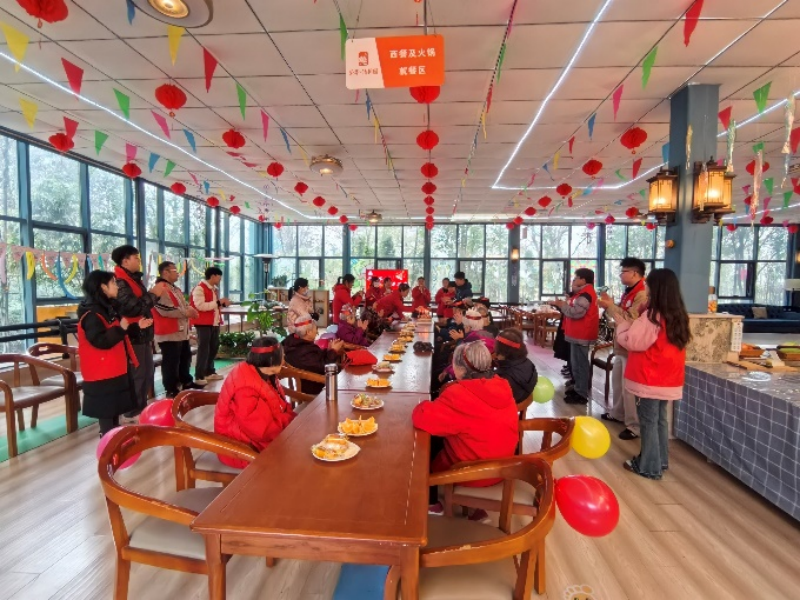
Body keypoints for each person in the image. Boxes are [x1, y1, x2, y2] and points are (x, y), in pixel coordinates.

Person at [412, 341, 519, 514]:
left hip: (473, 474)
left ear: (460, 369)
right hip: (504, 468)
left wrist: (425, 402)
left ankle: (432, 503)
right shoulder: (502, 385)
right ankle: (476, 509)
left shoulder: (459, 394)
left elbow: (421, 418)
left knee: (422, 444)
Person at [616, 268, 690, 480]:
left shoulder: (652, 316)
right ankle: (660, 460)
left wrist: (622, 326)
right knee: (660, 421)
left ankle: (648, 466)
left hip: (649, 378)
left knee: (648, 422)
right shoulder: (677, 315)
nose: (645, 286)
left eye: (648, 283)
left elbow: (633, 342)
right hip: (668, 378)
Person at [77, 270, 146, 435]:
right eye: (113, 283)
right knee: (106, 411)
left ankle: (113, 439)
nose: (117, 286)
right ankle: (107, 441)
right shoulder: (91, 314)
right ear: (103, 287)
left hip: (114, 368)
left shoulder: (107, 308)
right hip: (102, 372)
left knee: (115, 408)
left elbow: (117, 332)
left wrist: (135, 327)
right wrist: (121, 328)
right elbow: (100, 341)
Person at [214, 336, 296, 468]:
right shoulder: (245, 389)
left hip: (258, 439)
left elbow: (279, 406)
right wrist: (291, 420)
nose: (284, 359)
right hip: (242, 449)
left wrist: (291, 419)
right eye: (282, 356)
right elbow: (263, 431)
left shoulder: (263, 372)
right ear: (271, 360)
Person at [598, 258, 649, 440]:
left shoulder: (642, 294)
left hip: (631, 348)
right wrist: (611, 306)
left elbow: (631, 319)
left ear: (634, 273)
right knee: (617, 383)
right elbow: (622, 314)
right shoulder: (629, 292)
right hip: (621, 345)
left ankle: (633, 426)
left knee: (629, 388)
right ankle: (618, 413)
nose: (620, 275)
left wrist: (610, 306)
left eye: (623, 271)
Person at [111, 245, 159, 417]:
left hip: (142, 333)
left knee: (147, 372)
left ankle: (141, 407)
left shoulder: (134, 279)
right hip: (132, 334)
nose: (139, 261)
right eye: (136, 258)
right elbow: (132, 308)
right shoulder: (120, 282)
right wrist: (154, 294)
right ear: (125, 261)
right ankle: (132, 411)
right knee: (137, 374)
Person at [548, 268, 599, 405]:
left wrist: (562, 305)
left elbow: (576, 313)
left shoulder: (586, 295)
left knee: (581, 365)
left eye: (575, 278)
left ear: (583, 279)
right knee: (575, 364)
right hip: (576, 334)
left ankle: (581, 393)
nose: (573, 281)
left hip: (582, 334)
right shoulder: (581, 293)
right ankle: (577, 388)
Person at [151, 261, 201, 398]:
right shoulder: (160, 288)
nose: (178, 273)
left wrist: (190, 309)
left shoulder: (175, 289)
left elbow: (183, 305)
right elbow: (165, 310)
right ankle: (171, 388)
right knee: (171, 362)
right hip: (168, 332)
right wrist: (186, 312)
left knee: (185, 357)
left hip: (181, 332)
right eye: (174, 270)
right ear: (165, 272)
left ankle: (186, 382)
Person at [282, 313, 345, 395]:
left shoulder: (296, 343)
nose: (317, 332)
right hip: (316, 388)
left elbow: (316, 359)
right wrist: (333, 351)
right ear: (308, 332)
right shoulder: (302, 351)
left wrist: (329, 350)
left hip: (314, 382)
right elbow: (324, 367)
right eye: (316, 329)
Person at [191, 266, 231, 385]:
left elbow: (213, 306)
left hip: (214, 323)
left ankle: (209, 372)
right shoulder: (199, 288)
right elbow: (200, 306)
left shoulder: (213, 289)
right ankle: (199, 375)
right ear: (213, 276)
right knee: (204, 349)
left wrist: (222, 304)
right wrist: (219, 302)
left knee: (213, 348)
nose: (220, 279)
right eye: (219, 277)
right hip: (203, 323)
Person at [494, 328, 538, 410]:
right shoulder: (529, 363)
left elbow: (496, 399)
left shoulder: (503, 377)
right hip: (522, 397)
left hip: (506, 407)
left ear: (501, 350)